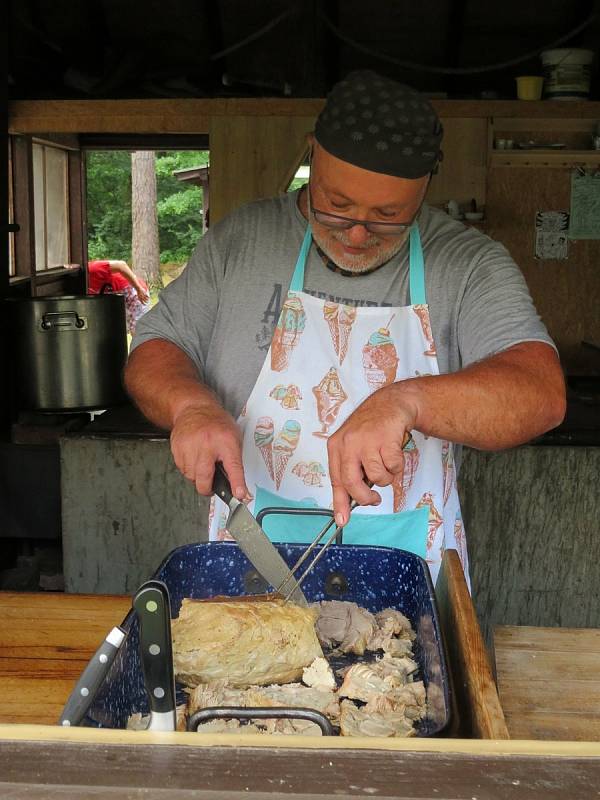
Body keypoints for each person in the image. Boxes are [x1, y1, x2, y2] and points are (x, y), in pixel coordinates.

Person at [124, 70, 565, 584]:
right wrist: (190, 406)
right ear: (312, 154)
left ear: (424, 190)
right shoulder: (242, 241)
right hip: (252, 558)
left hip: (407, 564)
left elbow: (541, 392)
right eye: (335, 205)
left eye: (387, 215)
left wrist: (406, 401)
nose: (357, 233)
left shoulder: (469, 264)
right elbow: (156, 347)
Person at [88, 259, 151, 336]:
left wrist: (138, 288)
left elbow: (121, 265)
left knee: (138, 331)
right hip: (114, 299)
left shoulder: (92, 268)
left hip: (134, 291)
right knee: (116, 331)